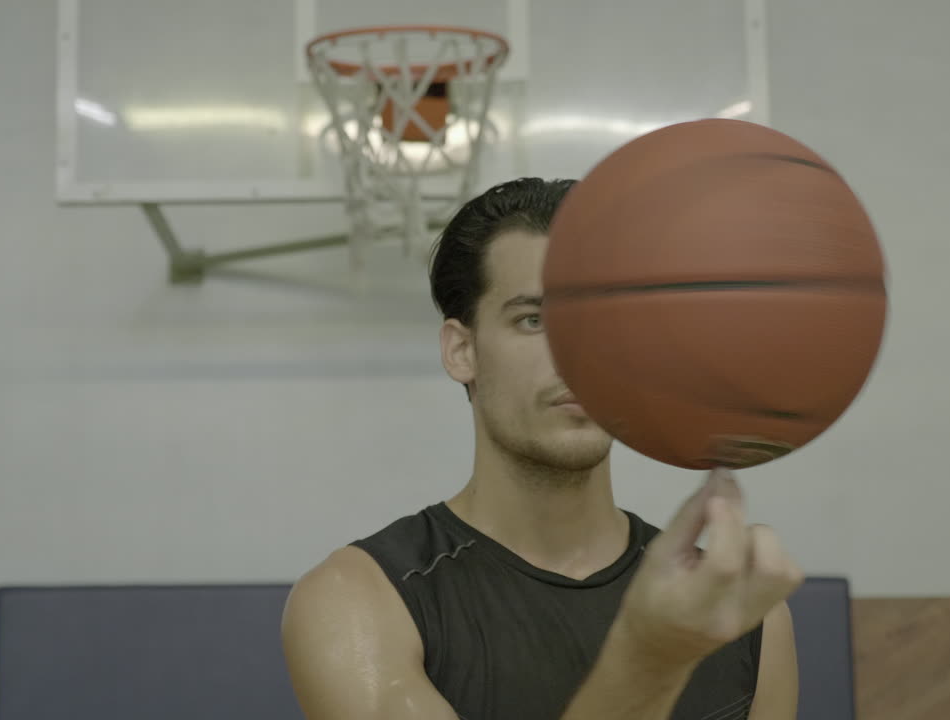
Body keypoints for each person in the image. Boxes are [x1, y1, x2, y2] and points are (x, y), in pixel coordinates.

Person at [281, 178, 804, 720]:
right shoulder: (359, 601)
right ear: (462, 351)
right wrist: (650, 660)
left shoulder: (744, 617)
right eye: (533, 320)